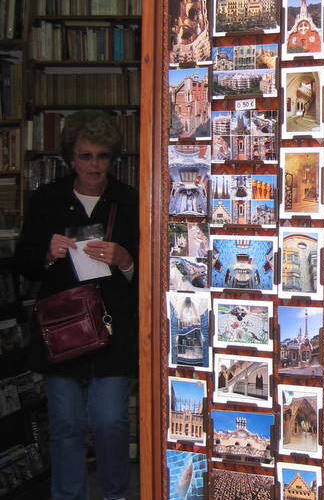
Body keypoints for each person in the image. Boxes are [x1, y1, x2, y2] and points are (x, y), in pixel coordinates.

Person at [16, 110, 138, 500]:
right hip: (62, 327)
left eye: (102, 156)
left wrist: (126, 261)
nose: (94, 165)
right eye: (86, 156)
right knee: (66, 425)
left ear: (112, 158)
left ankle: (116, 494)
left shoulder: (129, 200)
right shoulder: (46, 198)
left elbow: (155, 274)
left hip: (113, 327)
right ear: (71, 158)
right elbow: (23, 264)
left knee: (110, 422)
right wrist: (47, 253)